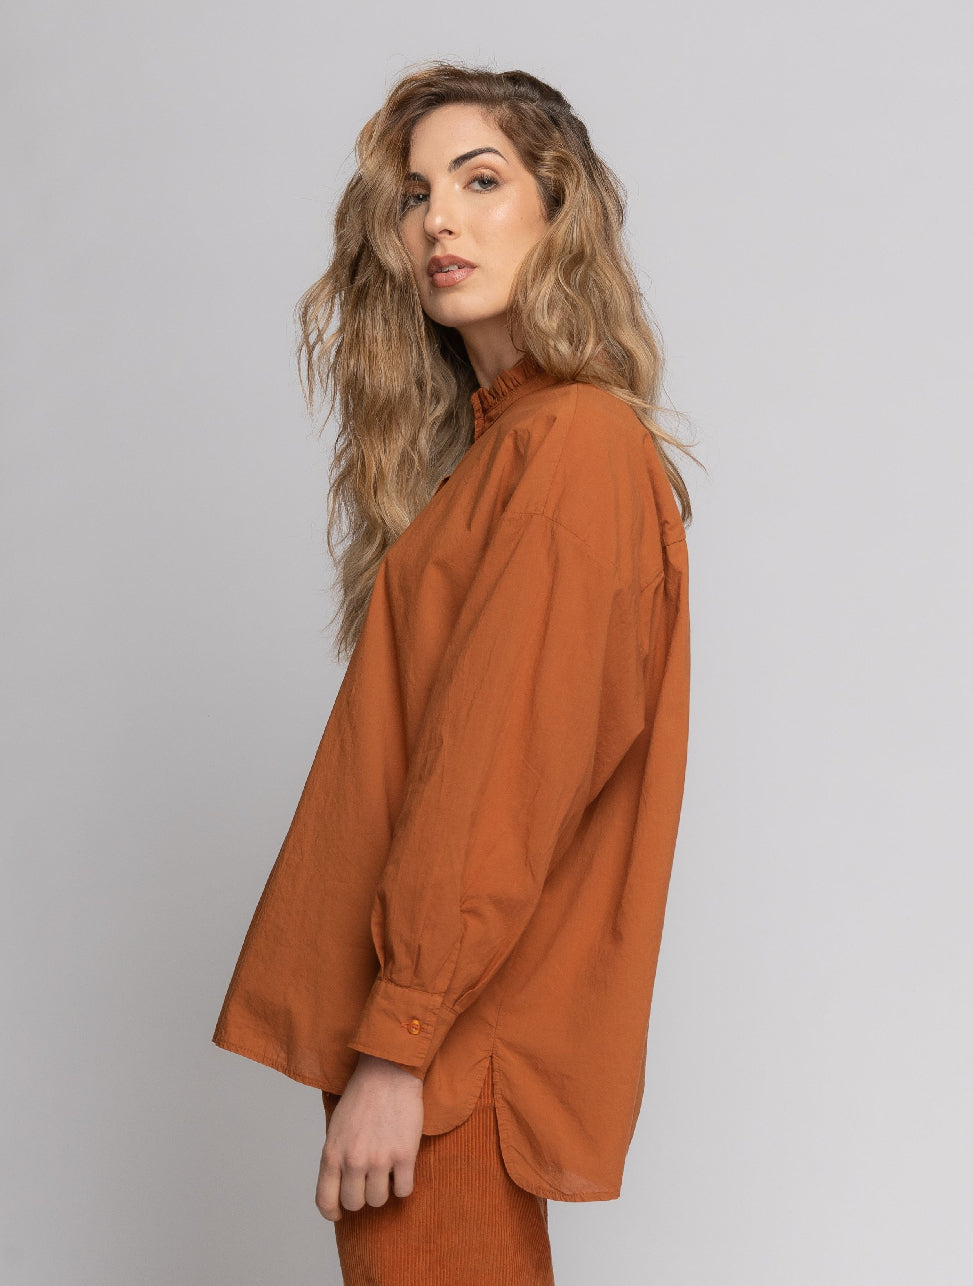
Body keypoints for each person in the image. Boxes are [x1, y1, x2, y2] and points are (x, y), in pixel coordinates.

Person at [212, 60, 699, 1285]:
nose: (440, 219)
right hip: (428, 1043)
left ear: (560, 207)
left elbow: (499, 776)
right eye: (417, 192)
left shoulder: (574, 446)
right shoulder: (504, 452)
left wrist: (401, 1045)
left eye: (482, 181)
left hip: (450, 1059)